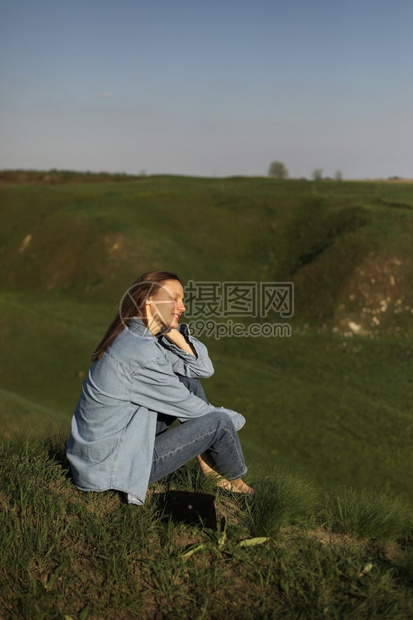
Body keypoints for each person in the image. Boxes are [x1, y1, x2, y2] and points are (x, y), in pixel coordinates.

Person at [67, 270, 253, 505]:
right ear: (149, 301)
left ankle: (213, 471)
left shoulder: (136, 339)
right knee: (219, 422)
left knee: (188, 383)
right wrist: (234, 420)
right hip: (112, 468)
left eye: (182, 300)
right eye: (174, 298)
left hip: (101, 456)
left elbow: (202, 370)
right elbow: (195, 411)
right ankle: (237, 484)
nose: (182, 306)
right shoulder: (143, 353)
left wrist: (174, 333)